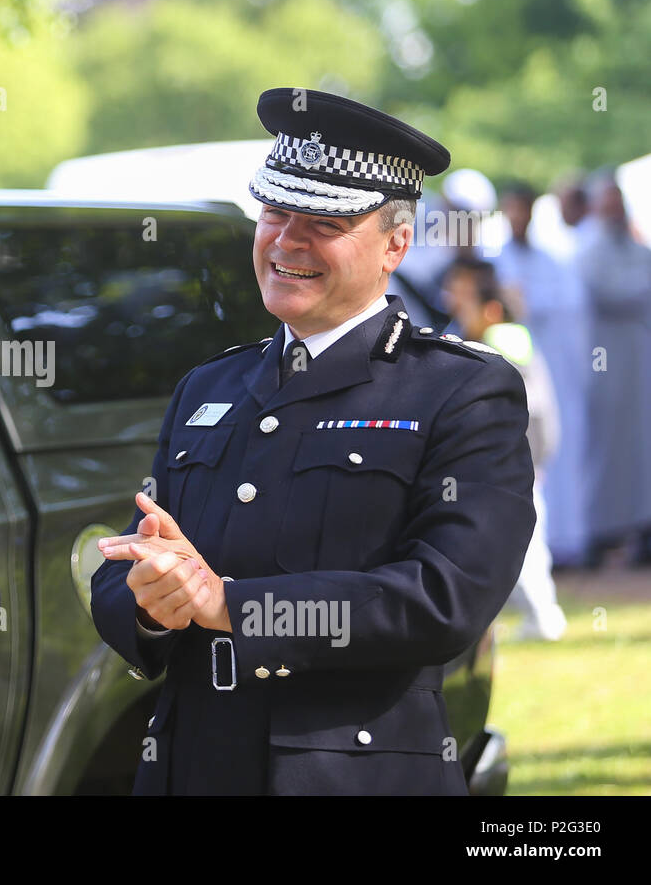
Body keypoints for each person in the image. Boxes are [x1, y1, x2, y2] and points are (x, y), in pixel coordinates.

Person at [90, 88, 536, 795]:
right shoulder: (210, 386)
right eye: (275, 212)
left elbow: (445, 596)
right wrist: (150, 596)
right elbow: (129, 560)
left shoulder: (459, 391)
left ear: (396, 243)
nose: (288, 241)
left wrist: (232, 606)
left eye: (325, 223)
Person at [443, 258, 566, 640]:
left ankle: (543, 617)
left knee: (522, 538)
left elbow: (525, 410)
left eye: (466, 304)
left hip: (518, 459)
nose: (458, 312)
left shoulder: (502, 341)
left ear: (491, 309)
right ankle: (535, 616)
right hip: (518, 459)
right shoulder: (500, 338)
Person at [484, 181, 591, 568]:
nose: (517, 218)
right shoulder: (492, 261)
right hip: (510, 373)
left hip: (550, 373)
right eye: (510, 209)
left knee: (553, 452)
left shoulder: (552, 261)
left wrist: (529, 305)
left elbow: (569, 308)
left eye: (522, 209)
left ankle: (567, 543)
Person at [574, 171, 651, 567]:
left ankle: (640, 529)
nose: (616, 210)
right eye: (609, 202)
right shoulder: (588, 248)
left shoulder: (637, 249)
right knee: (606, 448)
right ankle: (600, 532)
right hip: (604, 362)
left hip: (639, 363)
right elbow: (612, 292)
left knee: (641, 447)